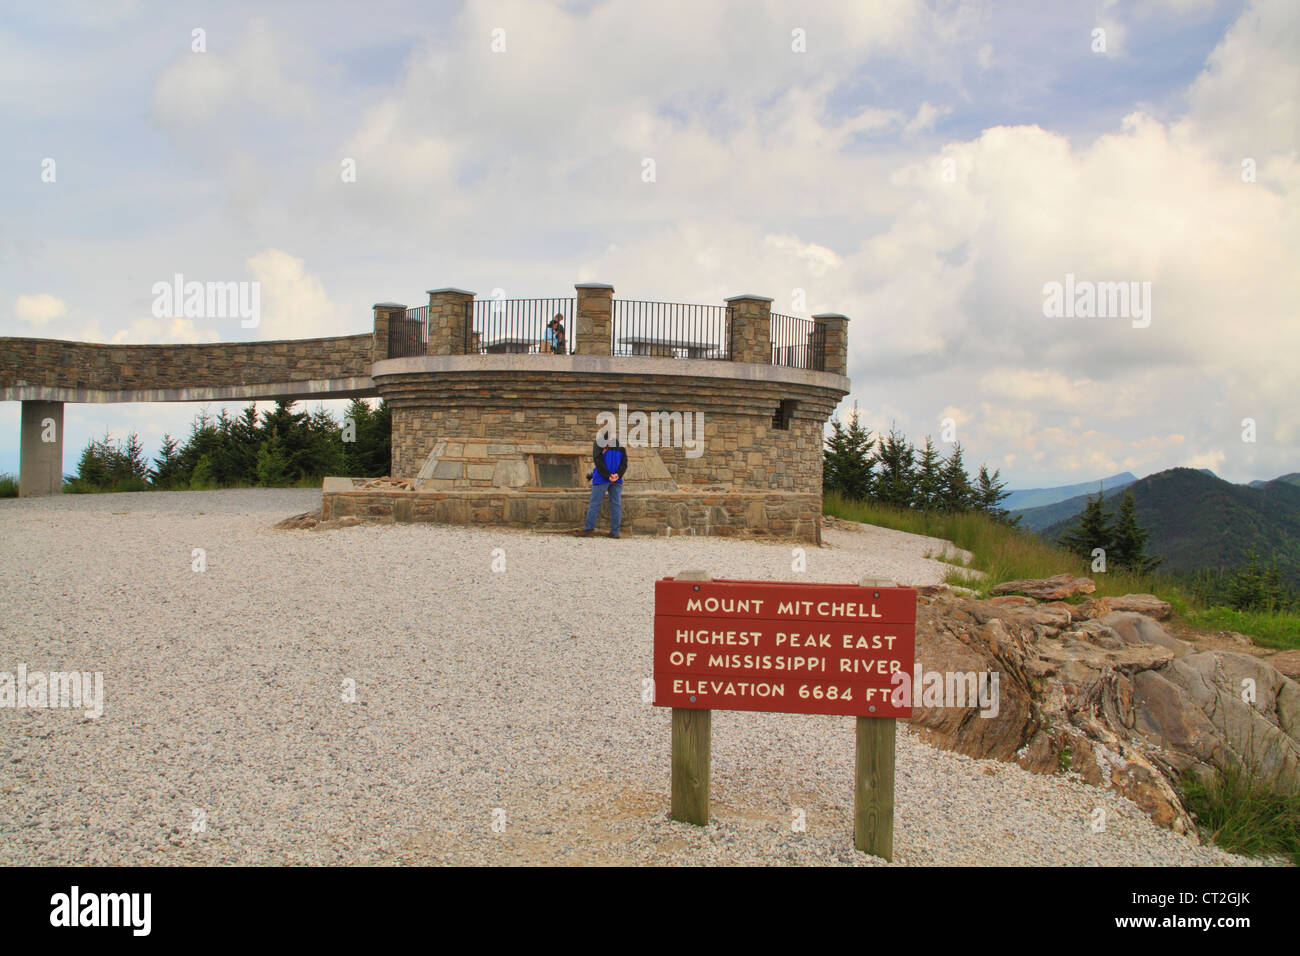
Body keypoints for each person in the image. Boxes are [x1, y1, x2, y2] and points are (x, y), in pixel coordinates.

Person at [578, 430, 627, 538]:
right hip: (616, 480)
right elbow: (624, 464)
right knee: (616, 505)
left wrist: (609, 475)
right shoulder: (621, 446)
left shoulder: (599, 443)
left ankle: (589, 529)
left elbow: (598, 460)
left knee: (595, 504)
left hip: (601, 478)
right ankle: (615, 532)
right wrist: (617, 475)